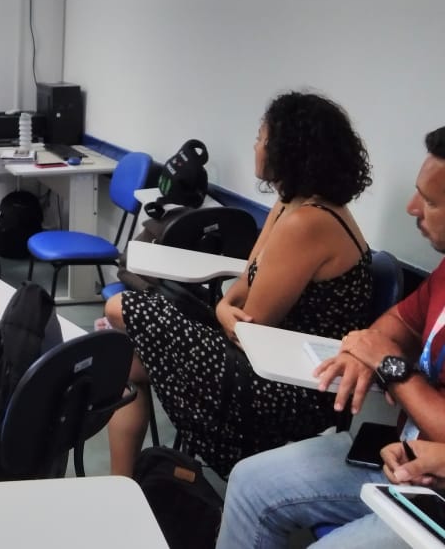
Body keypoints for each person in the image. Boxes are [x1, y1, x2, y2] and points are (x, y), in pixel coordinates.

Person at [103, 91, 376, 478]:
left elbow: (250, 325)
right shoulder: (291, 205)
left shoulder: (308, 222)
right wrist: (220, 308)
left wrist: (227, 312)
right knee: (125, 365)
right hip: (260, 357)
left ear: (288, 149)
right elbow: (246, 282)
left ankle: (127, 486)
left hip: (285, 388)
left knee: (120, 309)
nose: (255, 145)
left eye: (262, 137)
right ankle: (123, 488)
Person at [216, 126, 445, 548]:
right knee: (250, 482)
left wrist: (391, 367)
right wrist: (364, 348)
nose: (413, 208)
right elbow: (401, 322)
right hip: (407, 458)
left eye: (430, 201)